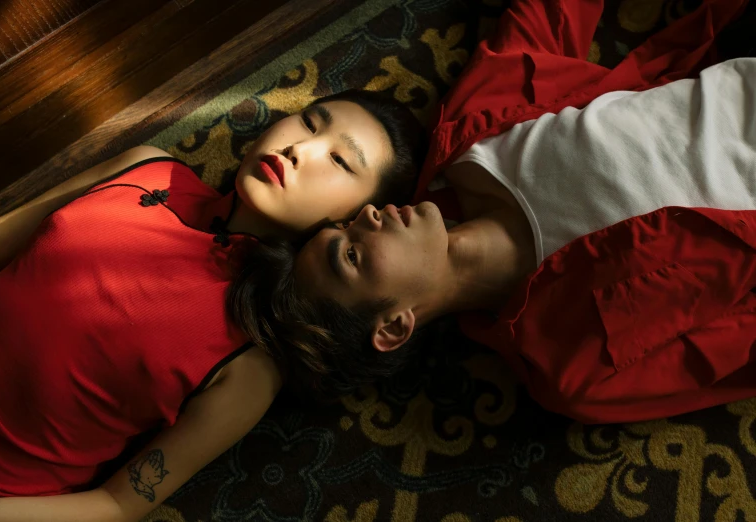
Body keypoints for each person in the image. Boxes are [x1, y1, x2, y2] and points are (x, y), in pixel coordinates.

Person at [232, 0, 756, 423]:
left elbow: (549, 17)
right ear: (394, 326)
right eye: (350, 254)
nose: (367, 218)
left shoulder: (467, 138)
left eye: (345, 223)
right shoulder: (576, 368)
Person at [0, 89, 427, 520]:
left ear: (355, 218)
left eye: (339, 160)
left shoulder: (250, 365)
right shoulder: (147, 166)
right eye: (310, 122)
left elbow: (116, 505)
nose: (300, 149)